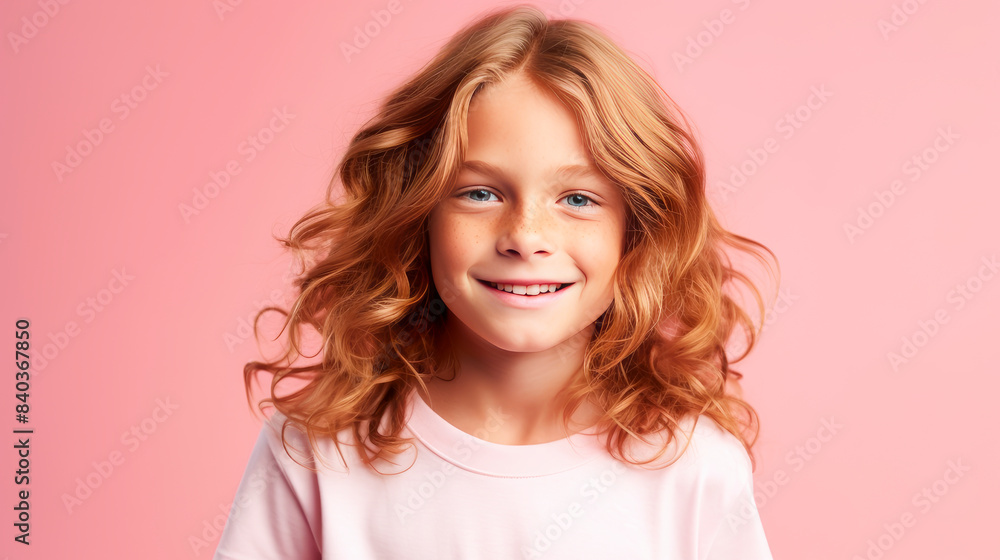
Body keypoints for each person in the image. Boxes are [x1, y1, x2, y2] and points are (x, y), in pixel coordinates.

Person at [214, 4, 778, 559]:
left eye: (578, 199)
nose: (525, 237)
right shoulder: (314, 453)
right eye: (480, 193)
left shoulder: (694, 470)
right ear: (419, 214)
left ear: (637, 232)